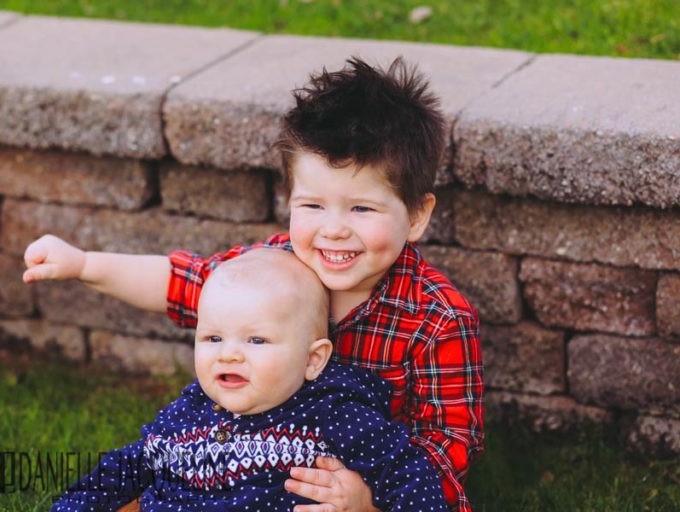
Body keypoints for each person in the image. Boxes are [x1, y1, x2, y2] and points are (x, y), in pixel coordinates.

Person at [25, 56, 483, 512]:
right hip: (239, 456)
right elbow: (182, 283)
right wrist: (83, 263)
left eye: (361, 209)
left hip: (350, 483)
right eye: (313, 206)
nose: (334, 230)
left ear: (417, 215)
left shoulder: (437, 317)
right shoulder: (272, 266)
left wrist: (367, 500)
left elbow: (448, 444)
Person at [50, 249, 448, 511]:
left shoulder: (332, 413)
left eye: (256, 340)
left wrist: (366, 503)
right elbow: (128, 465)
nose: (229, 353)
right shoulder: (187, 413)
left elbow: (407, 472)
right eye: (213, 338)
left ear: (313, 360)